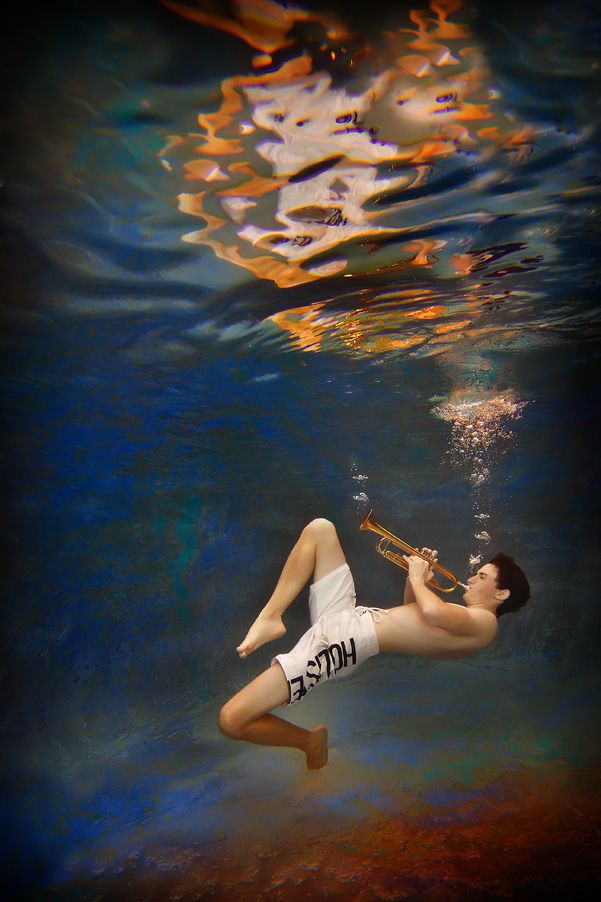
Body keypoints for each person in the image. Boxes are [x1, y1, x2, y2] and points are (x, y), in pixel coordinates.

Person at [218, 518, 530, 769]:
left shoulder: (485, 623)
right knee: (321, 529)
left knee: (231, 720)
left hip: (344, 642)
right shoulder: (470, 620)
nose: (472, 579)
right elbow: (415, 611)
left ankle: (309, 741)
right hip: (349, 619)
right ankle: (271, 616)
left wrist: (420, 578)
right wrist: (414, 577)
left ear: (501, 594)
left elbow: (432, 610)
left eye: (482, 576)